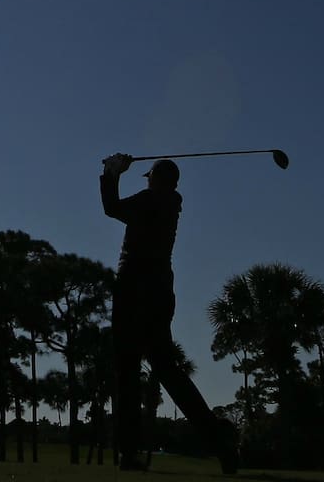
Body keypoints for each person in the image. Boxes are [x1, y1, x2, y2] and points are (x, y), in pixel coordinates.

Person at [100, 152, 238, 474]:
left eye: (149, 177)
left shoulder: (151, 200)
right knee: (167, 370)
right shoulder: (170, 203)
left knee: (128, 371)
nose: (147, 181)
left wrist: (112, 172)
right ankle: (220, 443)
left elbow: (111, 208)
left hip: (134, 288)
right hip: (160, 290)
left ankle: (130, 454)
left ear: (156, 180)